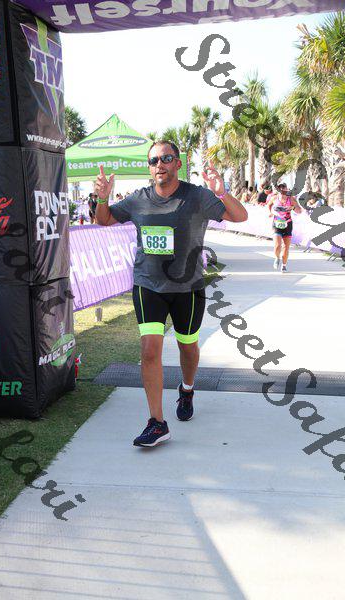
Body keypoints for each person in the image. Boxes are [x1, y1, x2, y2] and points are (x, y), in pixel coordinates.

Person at [95, 140, 247, 448]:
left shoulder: (198, 196)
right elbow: (104, 219)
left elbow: (239, 216)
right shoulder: (138, 199)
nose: (159, 165)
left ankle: (187, 389)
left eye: (166, 158)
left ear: (178, 163)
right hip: (148, 285)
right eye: (154, 161)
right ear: (149, 167)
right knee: (150, 350)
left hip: (188, 288)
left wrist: (221, 192)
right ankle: (156, 422)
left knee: (187, 347)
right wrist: (102, 198)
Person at [267, 182, 302, 272]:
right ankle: (277, 257)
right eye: (280, 188)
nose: (282, 189)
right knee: (277, 245)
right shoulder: (274, 198)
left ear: (287, 189)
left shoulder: (291, 199)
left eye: (284, 188)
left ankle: (284, 265)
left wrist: (292, 208)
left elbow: (299, 211)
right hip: (276, 224)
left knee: (286, 247)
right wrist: (270, 212)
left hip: (288, 224)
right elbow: (269, 204)